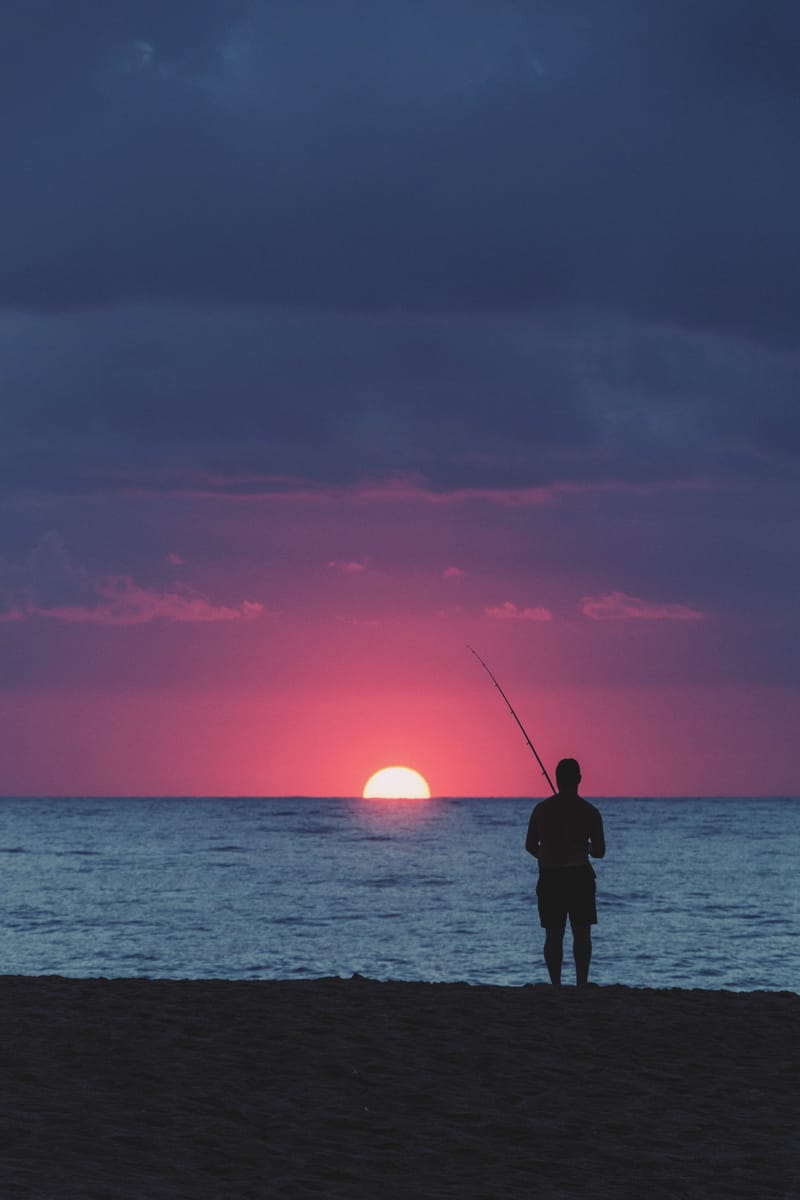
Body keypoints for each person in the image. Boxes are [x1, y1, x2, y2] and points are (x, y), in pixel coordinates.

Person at [525, 758, 605, 986]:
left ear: (557, 779)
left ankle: (556, 985)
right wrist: (584, 847)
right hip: (580, 877)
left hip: (550, 878)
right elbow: (599, 851)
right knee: (582, 935)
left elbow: (530, 846)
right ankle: (581, 984)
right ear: (579, 779)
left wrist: (549, 854)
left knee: (553, 935)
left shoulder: (541, 810)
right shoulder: (590, 812)